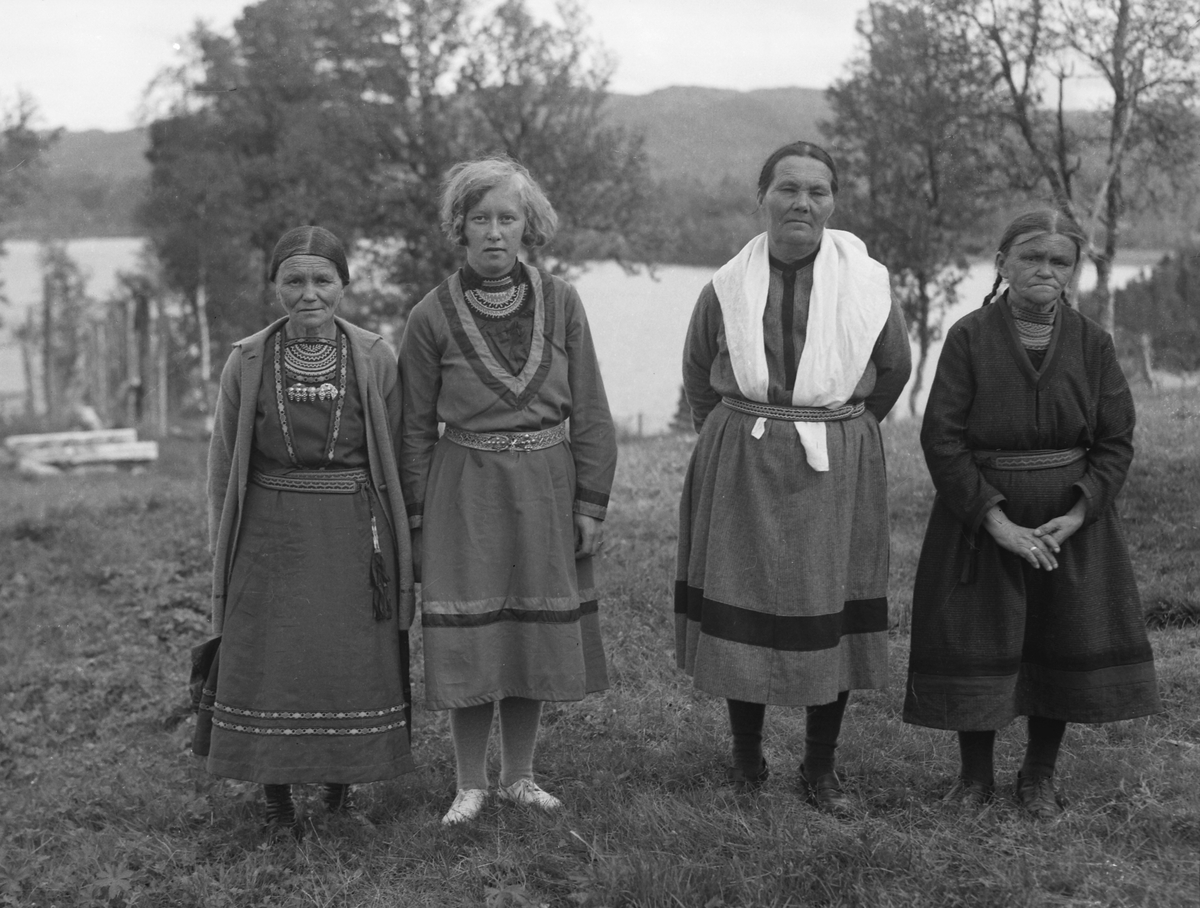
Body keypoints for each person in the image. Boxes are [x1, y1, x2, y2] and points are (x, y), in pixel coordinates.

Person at [675, 141, 912, 813]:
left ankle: (820, 767)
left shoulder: (867, 286)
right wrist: (732, 439)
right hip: (744, 457)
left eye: (818, 191)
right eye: (788, 189)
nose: (802, 202)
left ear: (833, 203)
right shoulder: (724, 285)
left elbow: (892, 367)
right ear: (762, 198)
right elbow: (699, 374)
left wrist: (847, 430)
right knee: (742, 600)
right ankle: (747, 760)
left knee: (828, 608)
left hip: (834, 465)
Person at [903, 209, 1160, 817]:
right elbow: (942, 439)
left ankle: (1039, 775)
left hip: (1067, 524)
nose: (1045, 270)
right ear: (1002, 263)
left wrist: (1078, 514)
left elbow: (1116, 440)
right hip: (982, 521)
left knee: (1059, 637)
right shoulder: (968, 337)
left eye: (1059, 261)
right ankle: (974, 778)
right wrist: (995, 522)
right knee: (978, 638)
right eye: (1030, 257)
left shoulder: (1093, 343)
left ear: (1073, 272)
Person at [399, 156, 617, 826]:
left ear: (530, 226)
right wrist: (415, 520)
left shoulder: (562, 302)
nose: (495, 232)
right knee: (472, 634)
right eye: (480, 218)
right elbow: (410, 426)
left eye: (508, 217)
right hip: (464, 491)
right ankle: (470, 783)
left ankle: (520, 776)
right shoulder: (430, 316)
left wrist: (589, 501)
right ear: (458, 227)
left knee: (528, 631)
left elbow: (592, 408)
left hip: (547, 489)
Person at [204, 226, 415, 835]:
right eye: (293, 280)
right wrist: (222, 544)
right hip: (269, 536)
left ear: (345, 286)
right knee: (273, 660)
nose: (309, 294)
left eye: (323, 280)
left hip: (353, 534)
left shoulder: (376, 356)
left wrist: (403, 543)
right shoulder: (246, 359)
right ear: (274, 287)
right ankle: (275, 797)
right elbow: (223, 464)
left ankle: (338, 795)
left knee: (344, 659)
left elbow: (398, 455)